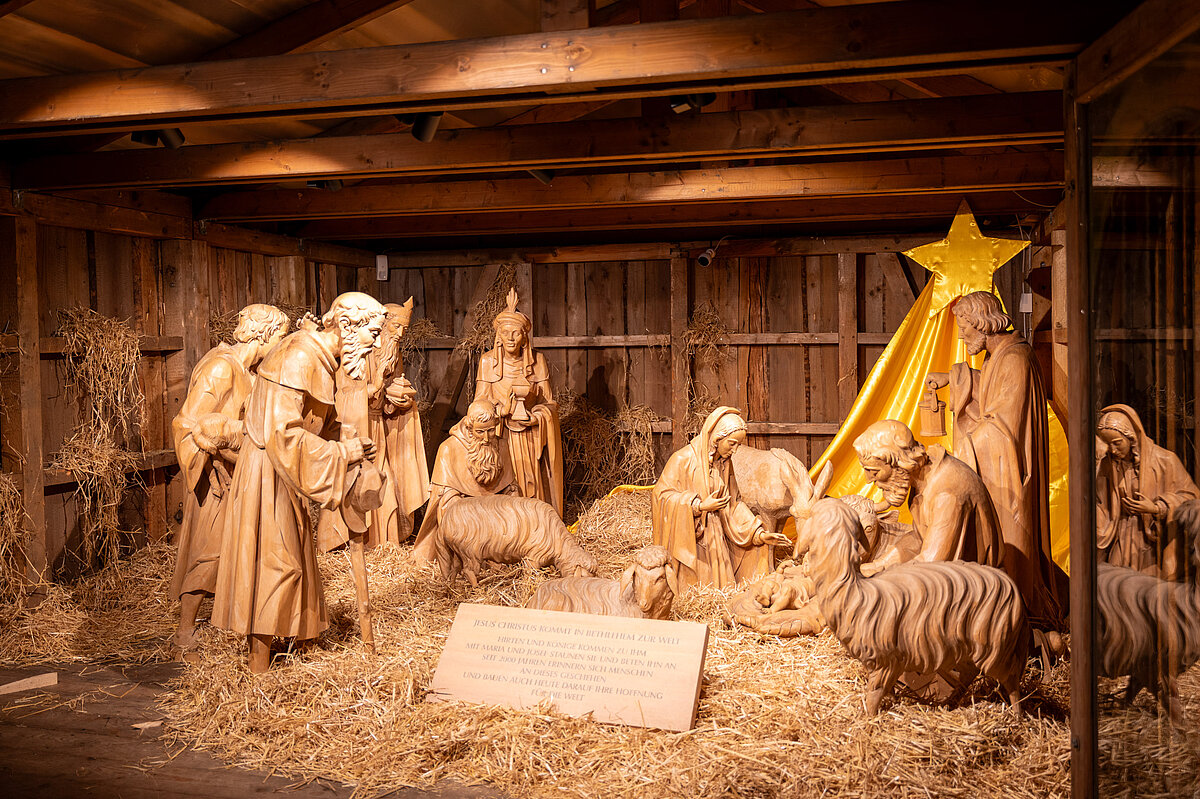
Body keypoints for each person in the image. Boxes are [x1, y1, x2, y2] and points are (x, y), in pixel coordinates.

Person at [211, 292, 386, 673]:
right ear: (346, 326)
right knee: (276, 562)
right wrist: (342, 453)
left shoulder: (319, 358)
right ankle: (258, 665)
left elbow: (317, 420)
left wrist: (346, 441)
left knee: (296, 559)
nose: (375, 345)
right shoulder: (298, 357)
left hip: (284, 472)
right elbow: (283, 434)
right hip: (268, 473)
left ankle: (301, 642)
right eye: (372, 334)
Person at [926, 290, 1064, 627]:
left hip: (1011, 475)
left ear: (983, 323)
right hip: (1000, 470)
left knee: (1012, 547)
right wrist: (953, 378)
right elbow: (989, 388)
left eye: (964, 328)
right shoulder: (997, 357)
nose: (962, 337)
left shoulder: (1016, 359)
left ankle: (1017, 618)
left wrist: (963, 453)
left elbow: (1003, 427)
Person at [169, 303, 289, 653]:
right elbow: (186, 423)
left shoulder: (249, 372)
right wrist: (213, 459)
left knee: (240, 548)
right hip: (216, 480)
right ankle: (183, 634)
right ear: (263, 334)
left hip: (240, 474)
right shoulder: (221, 368)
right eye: (279, 337)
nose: (280, 344)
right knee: (209, 552)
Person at [318, 299, 430, 552]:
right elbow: (342, 396)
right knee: (358, 481)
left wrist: (397, 402)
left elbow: (388, 394)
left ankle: (383, 543)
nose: (399, 334)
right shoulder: (354, 353)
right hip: (357, 428)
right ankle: (352, 541)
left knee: (383, 480)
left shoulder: (392, 353)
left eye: (404, 328)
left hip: (378, 425)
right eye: (395, 327)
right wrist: (376, 384)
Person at [652, 406, 790, 591]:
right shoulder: (682, 459)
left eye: (738, 445)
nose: (735, 450)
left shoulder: (724, 464)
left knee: (724, 589)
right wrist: (699, 506)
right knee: (697, 590)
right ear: (717, 438)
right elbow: (662, 496)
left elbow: (734, 504)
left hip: (717, 542)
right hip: (694, 543)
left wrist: (758, 534)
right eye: (732, 444)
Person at [853, 419, 1003, 571]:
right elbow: (920, 539)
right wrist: (879, 565)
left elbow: (931, 564)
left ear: (899, 463)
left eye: (874, 471)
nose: (868, 479)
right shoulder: (921, 476)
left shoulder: (946, 494)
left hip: (970, 580)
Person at [474, 288, 564, 516]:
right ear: (498, 336)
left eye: (516, 333)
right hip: (499, 434)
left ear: (524, 337)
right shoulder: (487, 362)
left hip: (530, 437)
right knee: (503, 484)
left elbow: (550, 403)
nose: (511, 338)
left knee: (530, 486)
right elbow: (478, 405)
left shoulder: (538, 362)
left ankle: (534, 523)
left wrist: (536, 417)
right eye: (505, 333)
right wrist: (500, 410)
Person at [1096, 404, 1200, 580]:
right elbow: (1099, 502)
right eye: (1108, 444)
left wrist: (1156, 508)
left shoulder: (1165, 460)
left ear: (1131, 437)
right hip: (1120, 535)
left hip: (1152, 543)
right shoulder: (1107, 464)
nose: (1112, 450)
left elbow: (1191, 499)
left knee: (1147, 589)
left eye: (1117, 443)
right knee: (1115, 586)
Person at [410, 399, 515, 562]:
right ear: (469, 428)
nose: (486, 439)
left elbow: (510, 489)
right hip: (466, 523)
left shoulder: (501, 446)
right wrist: (473, 516)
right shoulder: (449, 448)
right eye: (480, 432)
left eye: (491, 431)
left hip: (496, 519)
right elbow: (444, 501)